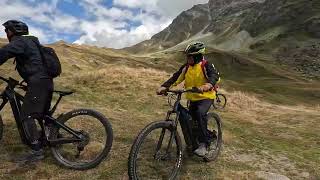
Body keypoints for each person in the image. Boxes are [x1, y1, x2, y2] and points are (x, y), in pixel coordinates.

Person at [0, 20, 53, 163]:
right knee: (43, 114)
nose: (6, 33)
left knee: (27, 115)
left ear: (14, 31)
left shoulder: (20, 42)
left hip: (38, 83)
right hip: (45, 82)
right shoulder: (32, 42)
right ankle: (52, 137)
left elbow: (4, 52)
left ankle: (36, 151)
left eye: (7, 31)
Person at [157, 42, 220, 157]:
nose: (187, 58)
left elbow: (214, 76)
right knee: (190, 121)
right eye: (187, 56)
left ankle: (204, 144)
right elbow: (176, 77)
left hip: (206, 97)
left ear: (197, 56)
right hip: (192, 97)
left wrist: (207, 85)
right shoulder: (186, 67)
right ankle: (193, 143)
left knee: (199, 113)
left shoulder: (206, 65)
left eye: (189, 56)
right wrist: (164, 86)